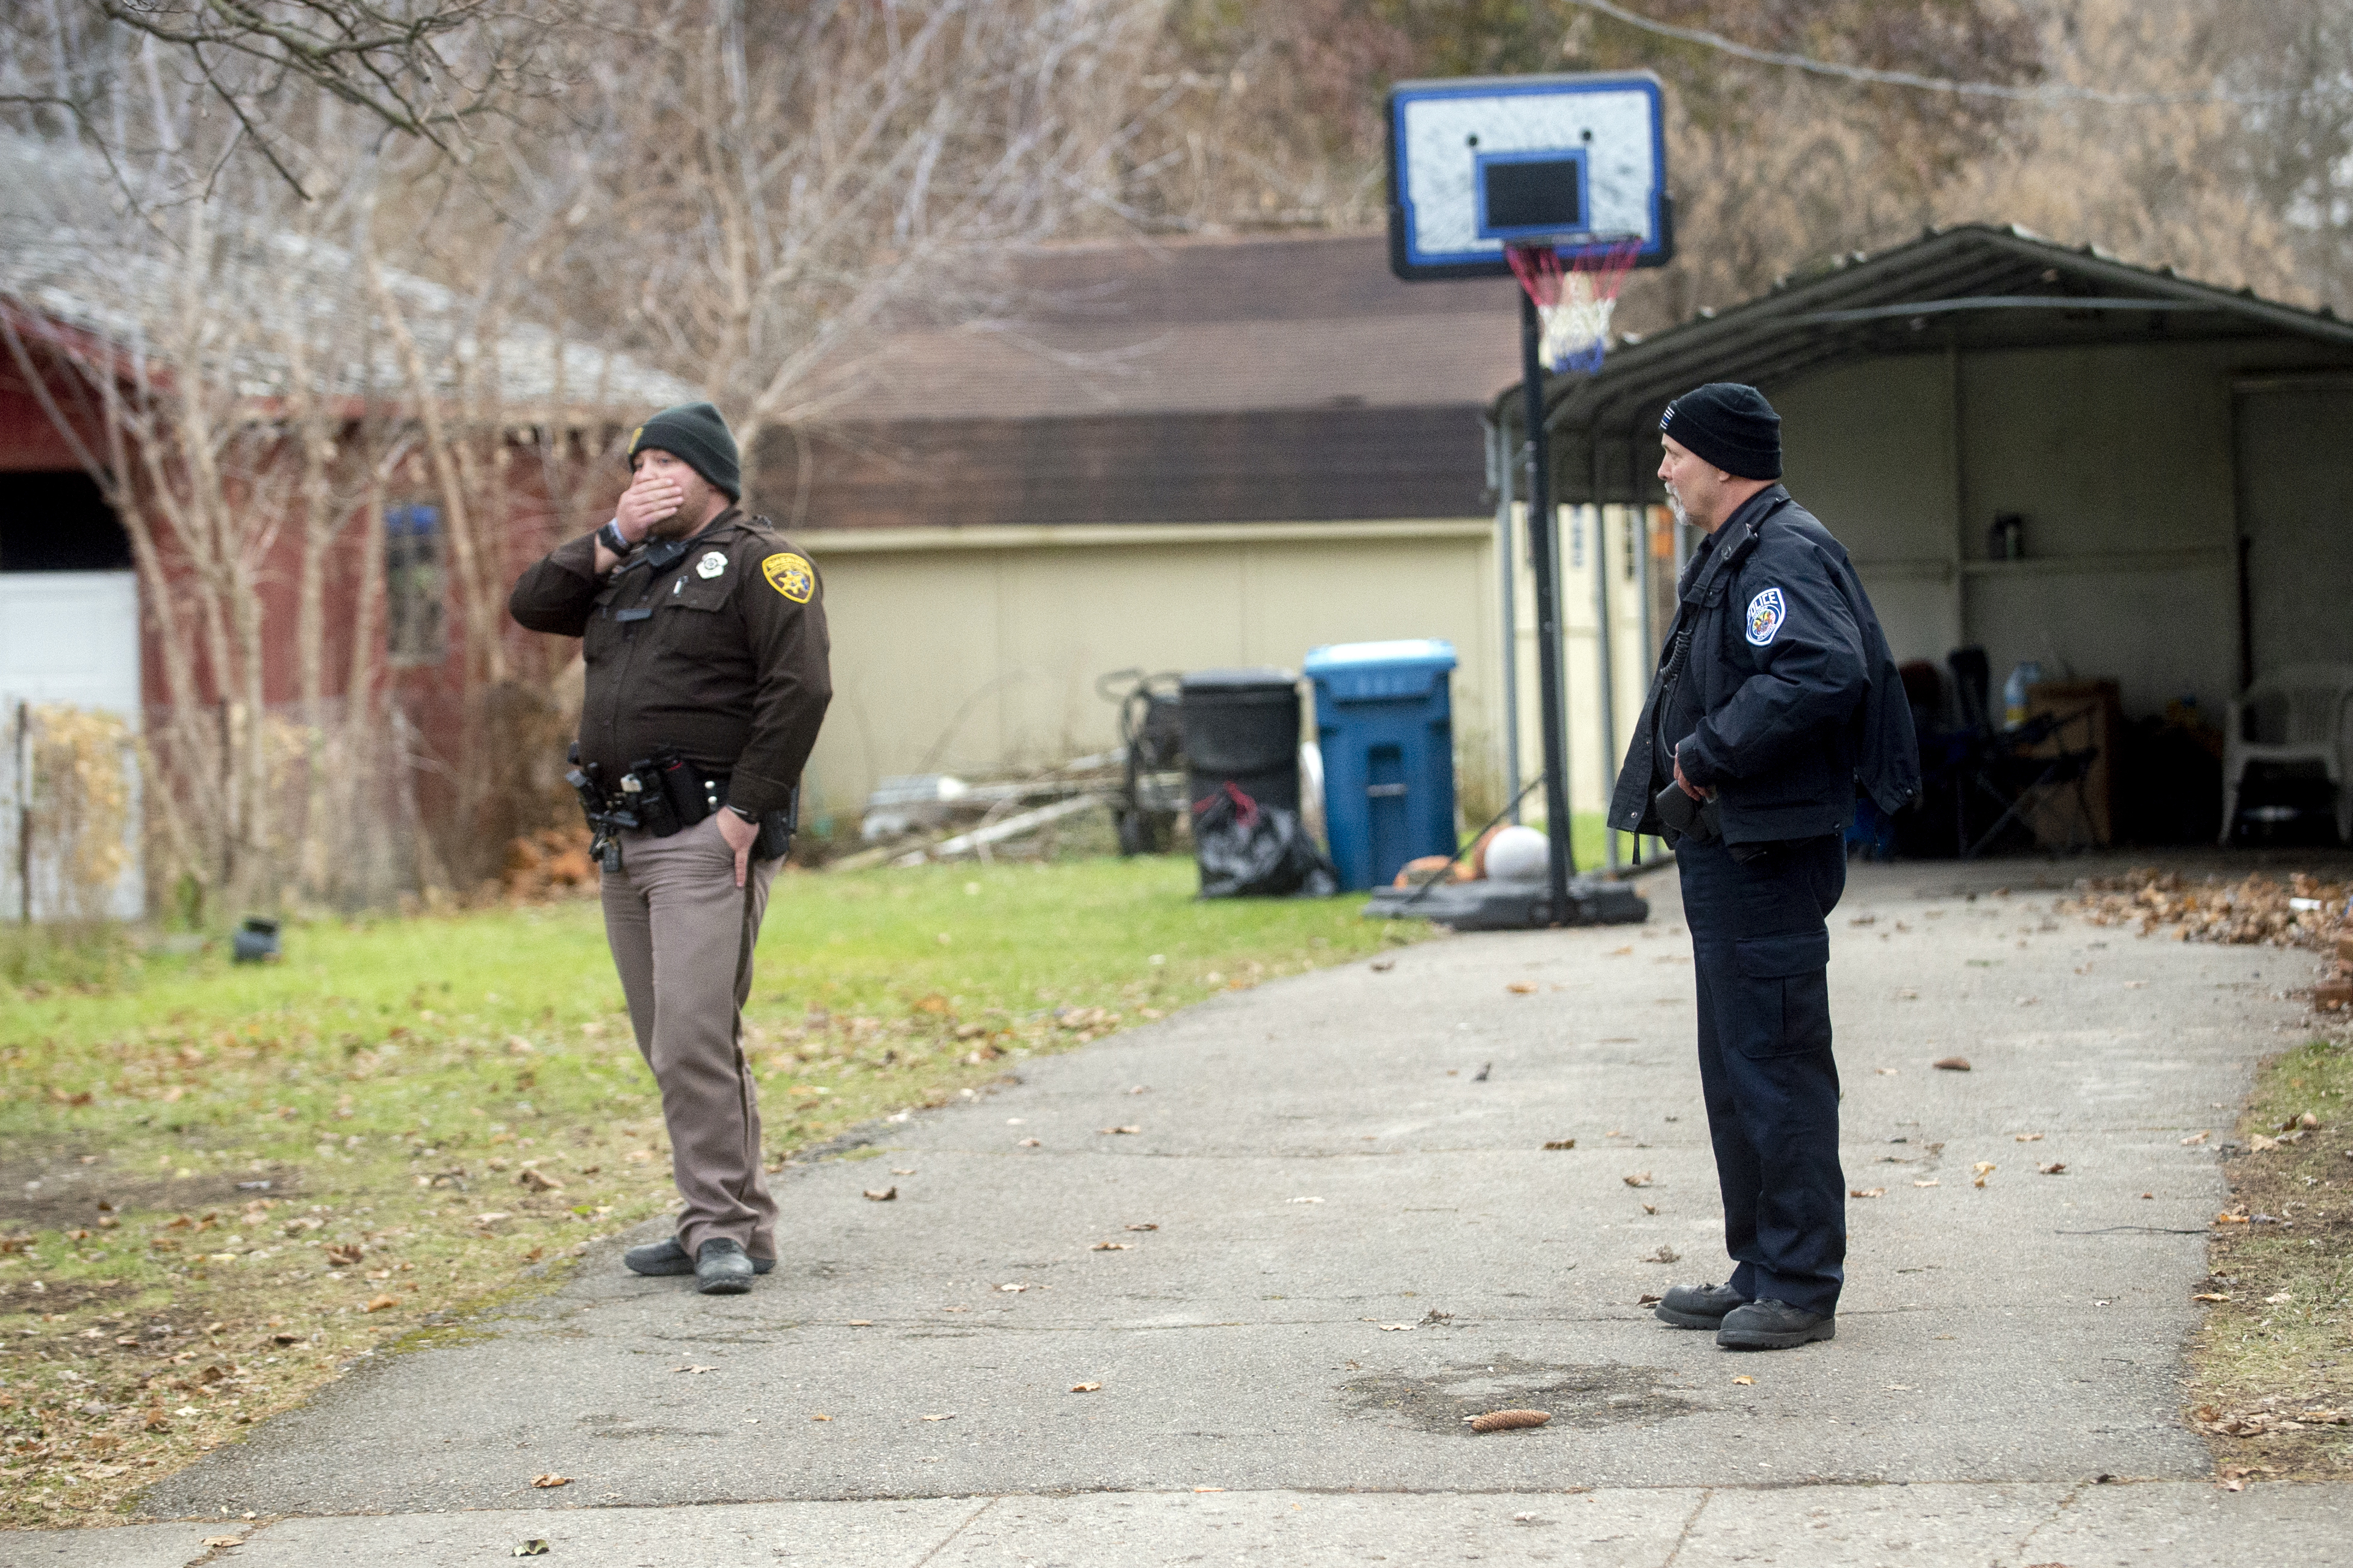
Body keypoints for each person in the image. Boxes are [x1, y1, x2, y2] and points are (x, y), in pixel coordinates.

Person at [1609, 382, 1918, 1351]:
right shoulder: (1738, 549)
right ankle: (1760, 1266)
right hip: (1728, 847)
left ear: (1724, 458)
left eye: (1675, 453)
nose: (1663, 470)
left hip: (1767, 849)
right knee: (1737, 1063)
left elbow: (1822, 667)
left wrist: (1706, 755)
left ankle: (1799, 1282)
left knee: (1776, 1063)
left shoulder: (1780, 551)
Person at [509, 401, 831, 1295]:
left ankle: (724, 1227)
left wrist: (746, 814)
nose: (649, 475)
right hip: (625, 837)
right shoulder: (632, 568)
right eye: (638, 462)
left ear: (711, 471)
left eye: (667, 462)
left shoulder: (766, 564)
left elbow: (801, 691)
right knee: (671, 1040)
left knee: (693, 1034)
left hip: (708, 836)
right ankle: (719, 1221)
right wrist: (614, 531)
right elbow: (533, 601)